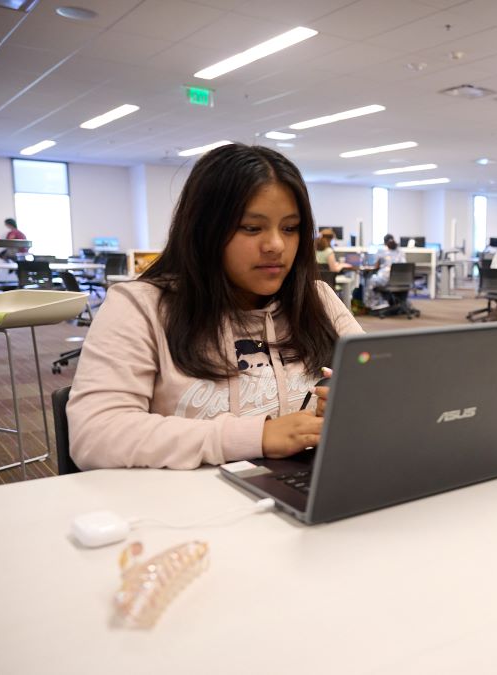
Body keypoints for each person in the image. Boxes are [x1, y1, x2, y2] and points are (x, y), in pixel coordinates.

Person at [67, 144, 364, 469]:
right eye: (252, 228)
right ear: (203, 230)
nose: (276, 245)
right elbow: (94, 435)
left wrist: (354, 405)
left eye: (290, 228)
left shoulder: (317, 299)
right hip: (189, 508)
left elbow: (380, 387)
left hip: (300, 495)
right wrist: (258, 436)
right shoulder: (141, 307)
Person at [364, 234, 406, 310]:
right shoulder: (401, 252)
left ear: (384, 243)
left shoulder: (382, 252)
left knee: (370, 280)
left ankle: (373, 304)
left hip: (387, 280)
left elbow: (376, 266)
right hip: (401, 280)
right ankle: (384, 301)